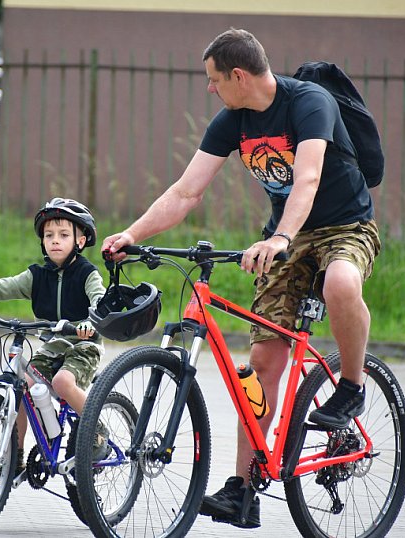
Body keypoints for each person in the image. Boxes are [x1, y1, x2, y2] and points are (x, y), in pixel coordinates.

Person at [101, 28, 381, 529]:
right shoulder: (233, 121)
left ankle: (353, 385)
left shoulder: (309, 102)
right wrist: (132, 232)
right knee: (263, 363)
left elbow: (308, 177)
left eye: (213, 80)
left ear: (238, 75)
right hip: (285, 237)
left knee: (341, 283)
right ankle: (244, 489)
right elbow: (187, 192)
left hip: (345, 225)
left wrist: (280, 238)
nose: (209, 89)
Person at [0, 197, 110, 476]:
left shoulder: (86, 274)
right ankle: (15, 456)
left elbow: (100, 300)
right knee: (23, 386)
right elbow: (0, 287)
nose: (54, 240)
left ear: (80, 241)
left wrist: (91, 322)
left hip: (83, 345)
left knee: (61, 381)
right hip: (53, 346)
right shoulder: (37, 276)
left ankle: (98, 431)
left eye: (63, 235)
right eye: (48, 235)